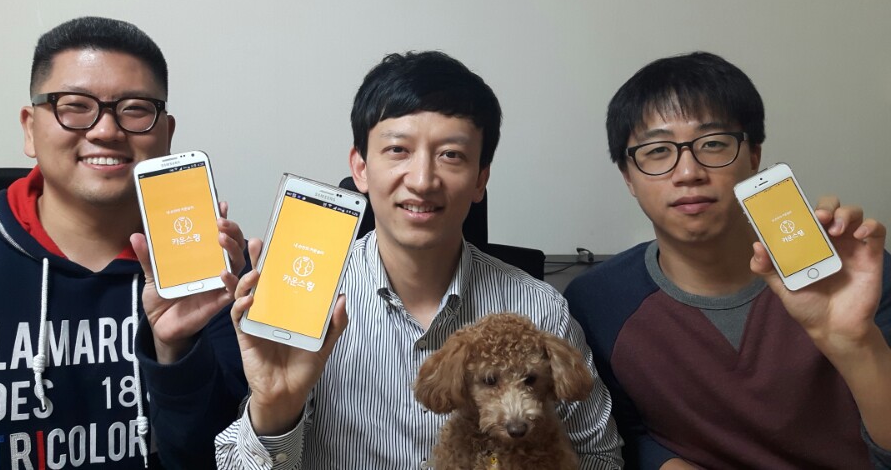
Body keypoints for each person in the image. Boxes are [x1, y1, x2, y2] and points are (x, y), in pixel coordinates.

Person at [208, 51, 624, 468]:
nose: (423, 181)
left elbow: (600, 457)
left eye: (451, 154)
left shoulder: (541, 310)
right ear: (360, 167)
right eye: (398, 149)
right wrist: (275, 408)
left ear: (481, 178)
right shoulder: (306, 298)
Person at [0, 16, 245, 469]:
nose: (106, 131)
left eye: (135, 109)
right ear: (29, 128)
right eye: (75, 106)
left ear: (166, 134)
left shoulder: (214, 274)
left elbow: (216, 457)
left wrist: (177, 353)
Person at [563, 51, 891, 468]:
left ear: (753, 156)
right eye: (658, 150)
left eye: (714, 144)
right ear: (628, 176)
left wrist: (856, 343)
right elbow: (623, 433)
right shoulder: (597, 302)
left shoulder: (853, 278)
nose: (688, 172)